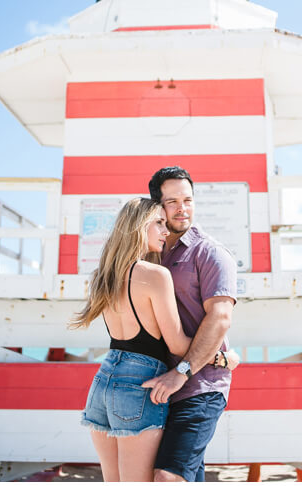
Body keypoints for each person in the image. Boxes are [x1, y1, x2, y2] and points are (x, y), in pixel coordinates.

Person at [69, 198, 195, 482]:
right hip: (139, 383)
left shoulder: (102, 276)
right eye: (159, 223)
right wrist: (216, 352)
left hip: (103, 381)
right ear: (139, 227)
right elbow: (177, 346)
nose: (166, 231)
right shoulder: (156, 276)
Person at [140, 167, 238, 482]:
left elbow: (220, 317)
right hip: (160, 386)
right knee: (187, 475)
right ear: (158, 206)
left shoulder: (211, 253)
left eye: (188, 200)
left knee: (167, 477)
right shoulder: (152, 254)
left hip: (200, 386)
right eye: (172, 202)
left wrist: (182, 373)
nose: (182, 209)